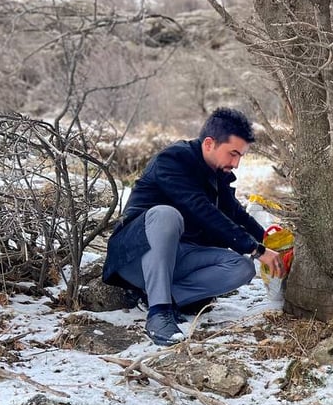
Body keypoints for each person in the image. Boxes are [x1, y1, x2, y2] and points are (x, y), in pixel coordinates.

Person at [102, 107, 288, 346]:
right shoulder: (172, 160)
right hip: (136, 255)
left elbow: (236, 214)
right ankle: (159, 314)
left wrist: (271, 242)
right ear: (209, 143)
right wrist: (257, 250)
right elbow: (200, 208)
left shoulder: (217, 173)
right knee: (166, 215)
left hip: (181, 257)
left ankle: (164, 297)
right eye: (233, 154)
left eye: (241, 156)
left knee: (242, 267)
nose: (236, 163)